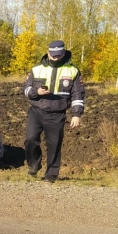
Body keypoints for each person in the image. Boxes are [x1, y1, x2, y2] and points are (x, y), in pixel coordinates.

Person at [23, 40, 85, 182]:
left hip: (57, 114)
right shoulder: (36, 69)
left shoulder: (73, 70)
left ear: (64, 53)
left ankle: (50, 175)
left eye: (59, 55)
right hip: (37, 111)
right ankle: (34, 163)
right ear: (48, 53)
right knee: (30, 140)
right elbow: (25, 89)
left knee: (54, 145)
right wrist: (36, 91)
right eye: (53, 55)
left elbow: (78, 94)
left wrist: (76, 114)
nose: (56, 58)